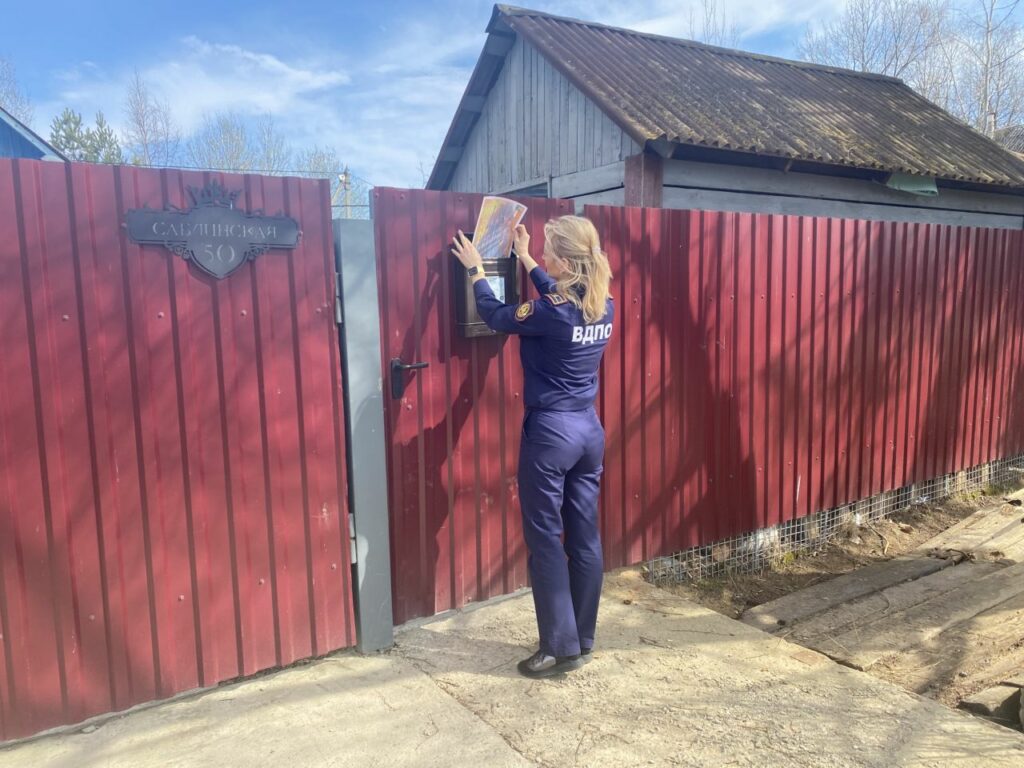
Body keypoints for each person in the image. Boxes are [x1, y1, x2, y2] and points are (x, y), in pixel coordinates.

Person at [451, 215, 614, 678]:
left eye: (546, 251)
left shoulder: (551, 312)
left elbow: (497, 316)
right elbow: (556, 298)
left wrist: (476, 270)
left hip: (551, 435)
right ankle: (582, 639)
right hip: (588, 432)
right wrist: (523, 258)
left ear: (564, 260)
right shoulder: (603, 304)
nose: (542, 255)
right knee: (584, 537)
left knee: (545, 538)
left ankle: (557, 648)